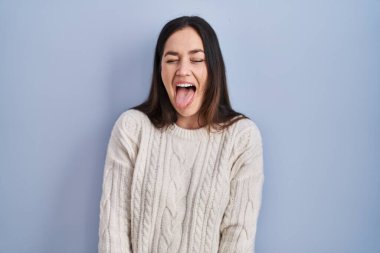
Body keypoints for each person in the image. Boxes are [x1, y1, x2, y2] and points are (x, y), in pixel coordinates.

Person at [98, 16, 264, 253]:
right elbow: (113, 231)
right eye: (171, 60)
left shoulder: (241, 138)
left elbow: (237, 238)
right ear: (160, 70)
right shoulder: (132, 129)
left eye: (197, 59)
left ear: (214, 69)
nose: (183, 70)